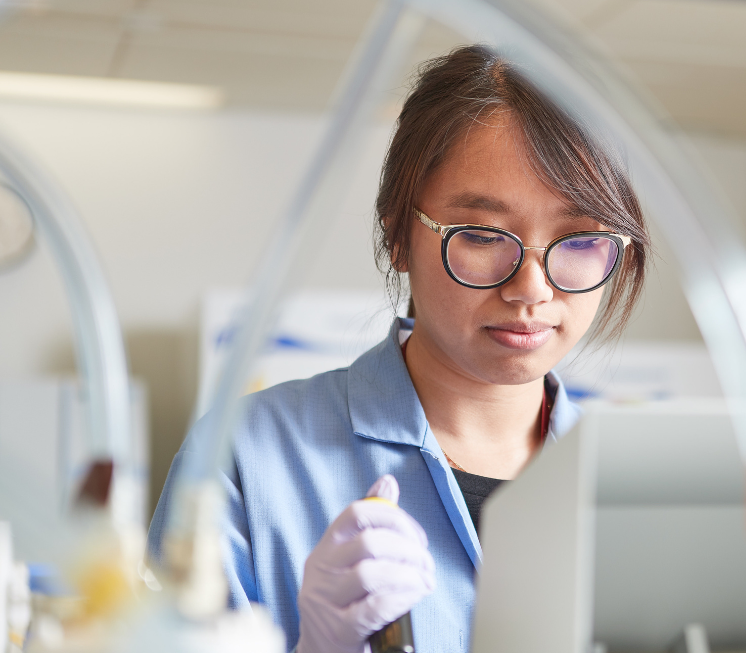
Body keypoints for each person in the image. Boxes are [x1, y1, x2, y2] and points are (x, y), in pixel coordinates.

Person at [148, 44, 651, 652]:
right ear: (397, 234)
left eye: (579, 240)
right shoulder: (245, 456)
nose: (531, 289)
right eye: (483, 235)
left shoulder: (639, 488)